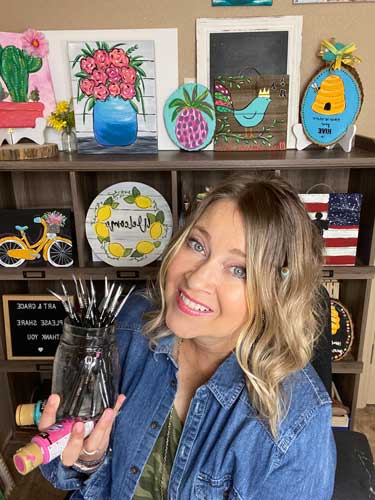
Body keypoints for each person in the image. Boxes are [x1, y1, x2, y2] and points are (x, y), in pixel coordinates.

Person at [39, 174, 336, 499]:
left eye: (239, 269)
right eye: (197, 245)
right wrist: (87, 460)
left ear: (275, 296)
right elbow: (68, 471)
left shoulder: (299, 420)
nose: (196, 279)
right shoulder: (128, 326)